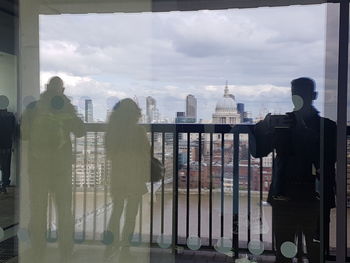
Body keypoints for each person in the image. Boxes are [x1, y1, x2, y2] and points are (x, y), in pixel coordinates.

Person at [249, 77, 336, 262]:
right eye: (295, 94)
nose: (297, 98)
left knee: (308, 252)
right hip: (302, 197)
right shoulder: (285, 124)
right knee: (299, 252)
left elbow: (329, 159)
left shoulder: (326, 128)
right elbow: (258, 151)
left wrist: (309, 136)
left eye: (299, 93)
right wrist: (265, 126)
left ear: (313, 95)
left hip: (294, 196)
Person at [21, 76, 85, 263]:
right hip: (60, 169)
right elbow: (80, 131)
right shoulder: (65, 106)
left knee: (38, 210)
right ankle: (66, 251)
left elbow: (24, 134)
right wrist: (67, 110)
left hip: (38, 168)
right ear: (62, 90)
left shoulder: (33, 108)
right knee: (64, 210)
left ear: (46, 88)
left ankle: (37, 250)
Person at [104, 98, 151, 262]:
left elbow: (109, 151)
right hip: (134, 176)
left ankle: (110, 245)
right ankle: (125, 247)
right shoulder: (139, 131)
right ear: (135, 114)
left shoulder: (112, 130)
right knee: (131, 214)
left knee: (116, 211)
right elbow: (146, 154)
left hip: (118, 175)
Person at [0, 95, 16, 193]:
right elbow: (13, 131)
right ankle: (4, 185)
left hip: (4, 144)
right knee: (6, 167)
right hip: (7, 145)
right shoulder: (11, 116)